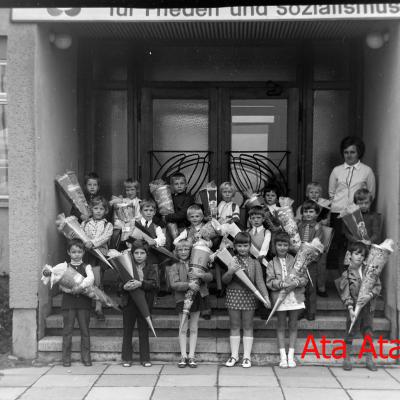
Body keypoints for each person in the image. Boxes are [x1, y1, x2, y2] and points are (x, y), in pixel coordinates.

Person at [222, 232, 270, 368]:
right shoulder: (231, 260)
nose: (242, 248)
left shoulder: (255, 263)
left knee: (248, 326)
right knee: (234, 326)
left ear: (250, 246)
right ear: (235, 246)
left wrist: (265, 297)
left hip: (249, 296)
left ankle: (247, 356)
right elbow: (225, 280)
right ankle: (234, 355)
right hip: (233, 296)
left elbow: (260, 282)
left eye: (245, 245)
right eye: (239, 246)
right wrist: (230, 271)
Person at [328, 136, 376, 272]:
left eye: (352, 152)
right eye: (346, 152)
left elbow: (371, 193)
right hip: (338, 213)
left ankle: (353, 275)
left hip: (357, 215)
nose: (349, 155)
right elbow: (331, 193)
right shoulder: (336, 170)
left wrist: (358, 208)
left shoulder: (367, 171)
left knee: (355, 245)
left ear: (359, 152)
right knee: (337, 245)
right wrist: (338, 205)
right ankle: (338, 277)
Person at [169, 239, 213, 368]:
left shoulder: (199, 261)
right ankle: (183, 356)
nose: (183, 252)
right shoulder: (175, 266)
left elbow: (210, 277)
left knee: (194, 327)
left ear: (191, 250)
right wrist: (188, 285)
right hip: (181, 299)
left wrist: (201, 274)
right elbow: (174, 284)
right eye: (180, 250)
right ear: (176, 252)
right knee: (183, 327)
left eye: (186, 249)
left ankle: (192, 356)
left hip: (197, 297)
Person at [338, 242, 381, 371]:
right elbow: (345, 293)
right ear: (350, 255)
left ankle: (369, 359)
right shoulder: (346, 274)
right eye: (356, 254)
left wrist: (370, 296)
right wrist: (350, 309)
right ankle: (346, 359)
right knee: (350, 331)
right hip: (354, 309)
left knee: (368, 332)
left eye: (362, 255)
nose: (359, 257)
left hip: (368, 307)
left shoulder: (370, 271)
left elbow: (377, 286)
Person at [266, 232, 307, 368]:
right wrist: (280, 284)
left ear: (289, 246)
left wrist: (296, 282)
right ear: (275, 246)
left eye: (285, 245)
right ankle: (283, 356)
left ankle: (291, 356)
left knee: (293, 325)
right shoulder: (271, 263)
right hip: (280, 297)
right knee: (281, 325)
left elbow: (304, 279)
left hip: (294, 296)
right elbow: (269, 281)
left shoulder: (296, 261)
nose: (282, 247)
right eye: (279, 245)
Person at [55, 239, 94, 367]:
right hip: (69, 302)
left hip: (84, 303)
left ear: (83, 252)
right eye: (73, 252)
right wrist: (69, 290)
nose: (76, 254)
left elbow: (91, 279)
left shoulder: (86, 267)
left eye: (79, 252)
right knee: (67, 331)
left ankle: (86, 357)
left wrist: (80, 287)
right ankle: (66, 359)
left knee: (85, 331)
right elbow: (60, 283)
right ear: (68, 252)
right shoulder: (64, 267)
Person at [120, 240, 159, 367]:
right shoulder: (126, 266)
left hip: (145, 303)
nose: (139, 256)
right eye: (136, 253)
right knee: (127, 331)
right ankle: (126, 358)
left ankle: (145, 358)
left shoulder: (151, 267)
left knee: (143, 331)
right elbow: (118, 284)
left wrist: (141, 283)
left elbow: (154, 284)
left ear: (147, 254)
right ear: (132, 254)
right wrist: (123, 287)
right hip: (129, 302)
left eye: (142, 253)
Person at [81, 196, 113, 321]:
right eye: (96, 208)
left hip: (99, 256)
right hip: (87, 255)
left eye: (101, 209)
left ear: (106, 211)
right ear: (91, 209)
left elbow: (105, 237)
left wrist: (93, 243)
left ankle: (98, 308)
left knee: (97, 281)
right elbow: (80, 235)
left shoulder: (107, 224)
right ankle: (86, 306)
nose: (98, 211)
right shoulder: (85, 223)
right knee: (87, 280)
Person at [297, 200, 324, 321]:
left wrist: (309, 253)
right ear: (302, 213)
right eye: (305, 211)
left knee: (311, 287)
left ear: (316, 213)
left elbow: (317, 244)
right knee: (300, 286)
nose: (308, 214)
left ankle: (311, 311)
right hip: (299, 260)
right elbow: (295, 240)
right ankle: (301, 310)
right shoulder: (298, 226)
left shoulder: (318, 227)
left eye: (311, 211)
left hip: (311, 261)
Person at [247, 205, 271, 320]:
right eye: (253, 218)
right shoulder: (247, 232)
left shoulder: (267, 232)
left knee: (263, 285)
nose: (256, 220)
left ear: (263, 219)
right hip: (250, 262)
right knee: (252, 284)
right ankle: (251, 309)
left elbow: (266, 244)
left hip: (262, 262)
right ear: (250, 219)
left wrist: (261, 255)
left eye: (258, 217)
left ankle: (264, 310)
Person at [109, 178, 141, 250]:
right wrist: (124, 226)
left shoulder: (140, 202)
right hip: (122, 231)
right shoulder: (120, 202)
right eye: (127, 190)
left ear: (137, 190)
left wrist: (128, 223)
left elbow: (139, 219)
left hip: (134, 231)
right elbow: (117, 220)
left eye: (132, 190)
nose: (130, 192)